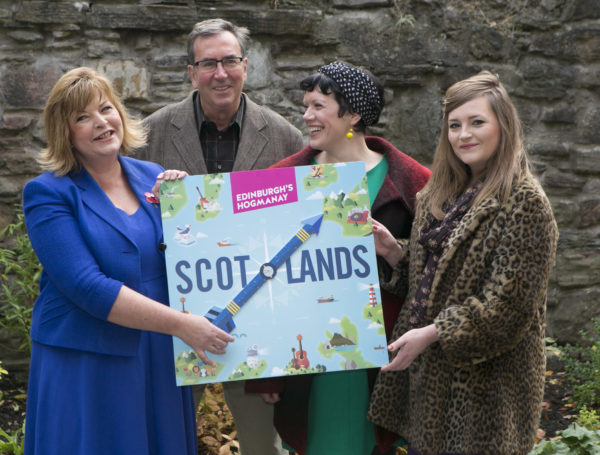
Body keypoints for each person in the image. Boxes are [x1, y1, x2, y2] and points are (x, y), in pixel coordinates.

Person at [22, 66, 234, 455]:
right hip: (87, 360)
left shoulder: (152, 176)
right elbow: (87, 286)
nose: (100, 122)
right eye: (82, 117)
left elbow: (193, 257)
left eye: (105, 109)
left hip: (156, 350)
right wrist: (185, 325)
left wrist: (184, 209)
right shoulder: (47, 193)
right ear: (64, 132)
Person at [367, 71, 559, 455]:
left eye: (476, 122)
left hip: (485, 396)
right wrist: (393, 252)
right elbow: (432, 281)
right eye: (454, 125)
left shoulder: (524, 202)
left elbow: (508, 309)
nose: (463, 135)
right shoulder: (444, 191)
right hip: (431, 392)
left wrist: (433, 333)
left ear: (503, 126)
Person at [135, 18, 303, 455]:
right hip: (173, 315)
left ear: (246, 66)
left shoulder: (286, 137)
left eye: (230, 60)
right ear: (191, 72)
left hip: (259, 319)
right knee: (164, 437)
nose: (220, 73)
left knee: (261, 442)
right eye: (208, 63)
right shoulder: (148, 136)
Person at [246, 60, 431, 455]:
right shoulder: (281, 180)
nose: (306, 116)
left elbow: (439, 274)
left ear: (353, 114)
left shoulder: (417, 184)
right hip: (308, 363)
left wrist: (395, 251)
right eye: (306, 106)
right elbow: (262, 274)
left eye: (317, 107)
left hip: (381, 361)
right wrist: (267, 374)